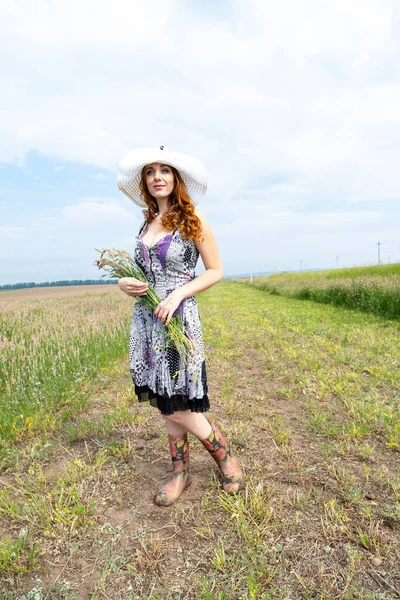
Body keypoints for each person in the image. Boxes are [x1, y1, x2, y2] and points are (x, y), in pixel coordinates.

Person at [117, 146, 243, 506]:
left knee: (178, 400)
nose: (157, 176)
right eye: (150, 171)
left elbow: (216, 271)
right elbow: (140, 273)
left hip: (178, 317)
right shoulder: (146, 224)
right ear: (144, 181)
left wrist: (177, 296)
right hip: (148, 318)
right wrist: (124, 284)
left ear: (176, 180)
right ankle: (180, 473)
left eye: (165, 171)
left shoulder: (193, 220)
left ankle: (225, 457)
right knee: (166, 399)